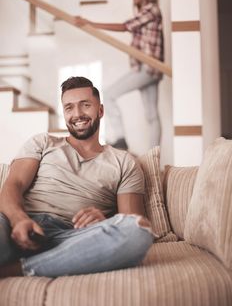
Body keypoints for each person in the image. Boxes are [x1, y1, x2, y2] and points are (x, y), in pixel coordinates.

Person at [0, 76, 154, 278]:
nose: (77, 114)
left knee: (138, 232)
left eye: (85, 105)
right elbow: (13, 185)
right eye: (69, 108)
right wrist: (19, 220)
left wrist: (104, 222)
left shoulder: (124, 162)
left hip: (75, 237)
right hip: (23, 225)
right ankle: (55, 263)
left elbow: (134, 219)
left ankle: (19, 269)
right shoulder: (43, 143)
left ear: (100, 110)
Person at [75, 0, 164, 150]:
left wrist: (90, 23)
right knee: (152, 115)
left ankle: (121, 139)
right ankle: (155, 153)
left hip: (148, 68)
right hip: (149, 69)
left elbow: (125, 27)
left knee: (108, 94)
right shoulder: (146, 11)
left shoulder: (152, 9)